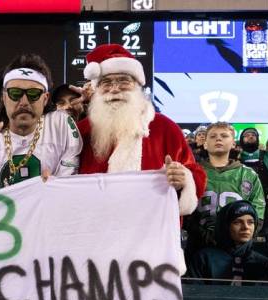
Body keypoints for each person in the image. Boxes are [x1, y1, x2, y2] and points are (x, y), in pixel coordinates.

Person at [76, 44, 206, 216]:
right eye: (106, 83)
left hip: (150, 231)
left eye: (123, 81)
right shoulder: (82, 130)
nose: (114, 89)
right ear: (96, 89)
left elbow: (194, 172)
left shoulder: (165, 127)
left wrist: (184, 179)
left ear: (137, 85)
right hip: (96, 229)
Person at [0, 53, 81, 191]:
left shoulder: (60, 124)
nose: (24, 102)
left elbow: (71, 186)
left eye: (33, 94)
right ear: (4, 97)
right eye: (15, 93)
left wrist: (56, 185)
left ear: (45, 99)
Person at [187, 122, 265, 250]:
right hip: (199, 246)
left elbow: (258, 213)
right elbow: (185, 211)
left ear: (233, 143)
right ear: (205, 144)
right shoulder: (193, 173)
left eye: (224, 136)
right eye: (212, 136)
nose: (218, 139)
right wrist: (202, 235)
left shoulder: (249, 175)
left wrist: (238, 236)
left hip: (236, 246)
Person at [188, 200, 268, 284]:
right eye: (237, 222)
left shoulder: (261, 262)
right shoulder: (203, 258)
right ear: (225, 226)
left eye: (250, 222)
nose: (246, 227)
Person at [237, 127, 268, 229]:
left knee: (266, 230)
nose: (250, 136)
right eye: (247, 135)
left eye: (253, 135)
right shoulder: (235, 156)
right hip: (239, 199)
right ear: (241, 139)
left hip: (265, 199)